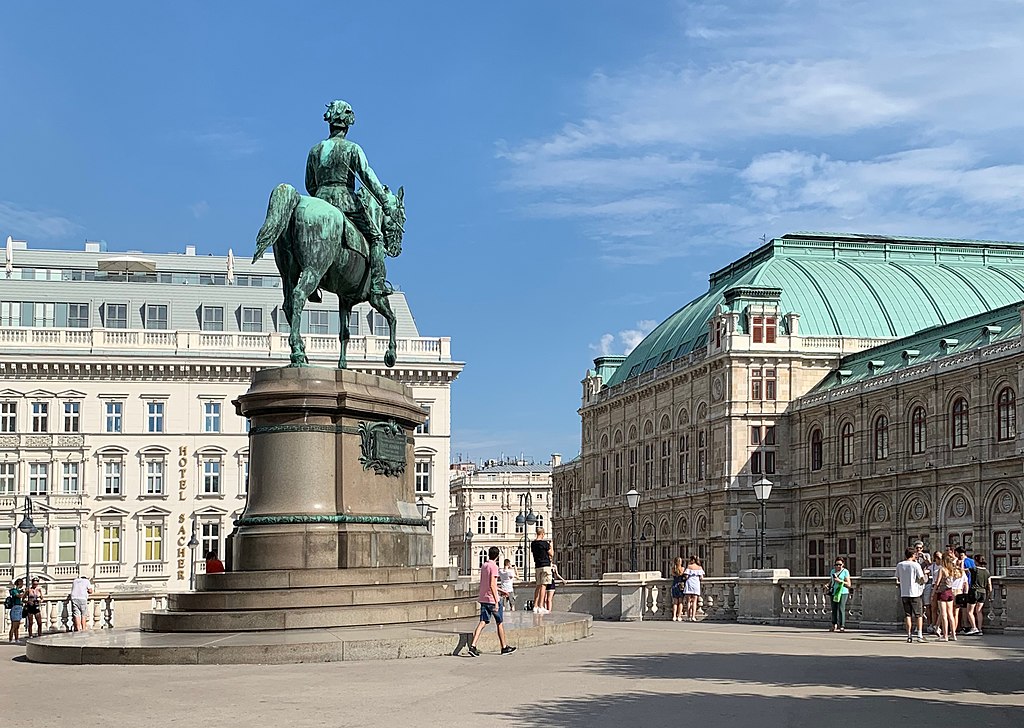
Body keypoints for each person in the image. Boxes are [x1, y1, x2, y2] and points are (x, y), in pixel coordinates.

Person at [305, 100, 396, 298]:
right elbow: (366, 174)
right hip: (346, 201)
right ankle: (378, 284)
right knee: (377, 238)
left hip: (320, 200)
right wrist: (383, 199)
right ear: (347, 124)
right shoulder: (353, 149)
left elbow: (309, 184)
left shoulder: (314, 150)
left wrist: (320, 199)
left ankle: (312, 283)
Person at [467, 546, 516, 657]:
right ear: (497, 556)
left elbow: (487, 583)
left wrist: (501, 590)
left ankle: (473, 646)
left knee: (483, 622)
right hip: (492, 599)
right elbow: (492, 585)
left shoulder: (484, 566)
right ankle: (504, 647)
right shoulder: (494, 567)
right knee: (499, 623)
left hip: (483, 598)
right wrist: (496, 600)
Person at [896, 547, 928, 643]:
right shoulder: (915, 565)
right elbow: (921, 578)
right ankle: (919, 635)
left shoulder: (900, 565)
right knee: (919, 615)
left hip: (904, 593)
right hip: (915, 592)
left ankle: (909, 635)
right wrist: (924, 578)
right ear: (913, 555)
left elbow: (897, 578)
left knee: (908, 615)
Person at [936, 553, 964, 641]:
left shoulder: (942, 569)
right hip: (950, 592)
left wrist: (933, 592)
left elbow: (937, 582)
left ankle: (945, 635)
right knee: (951, 614)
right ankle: (953, 634)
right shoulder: (951, 570)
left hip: (943, 592)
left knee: (944, 615)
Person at [530, 527, 554, 614]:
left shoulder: (533, 544)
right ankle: (541, 606)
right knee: (544, 586)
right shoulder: (545, 544)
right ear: (543, 534)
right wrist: (551, 546)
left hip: (537, 566)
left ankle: (535, 606)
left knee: (538, 586)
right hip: (545, 566)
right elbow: (551, 554)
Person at [967, 556, 991, 636]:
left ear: (976, 561)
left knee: (970, 611)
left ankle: (974, 627)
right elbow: (989, 585)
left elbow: (964, 570)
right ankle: (980, 629)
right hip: (983, 592)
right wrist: (989, 594)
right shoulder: (987, 572)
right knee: (979, 611)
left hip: (974, 591)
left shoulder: (974, 569)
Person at [828, 557, 851, 632]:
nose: (838, 566)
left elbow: (849, 584)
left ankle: (842, 625)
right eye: (836, 564)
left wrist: (840, 581)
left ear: (843, 564)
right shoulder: (832, 571)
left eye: (840, 564)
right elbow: (831, 581)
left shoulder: (845, 572)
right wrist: (827, 585)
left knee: (841, 608)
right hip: (834, 592)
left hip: (843, 592)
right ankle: (833, 624)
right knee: (834, 609)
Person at [925, 550, 943, 633]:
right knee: (933, 607)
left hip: (942, 588)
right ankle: (933, 624)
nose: (940, 560)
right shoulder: (932, 566)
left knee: (942, 609)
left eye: (941, 558)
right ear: (935, 558)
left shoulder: (943, 567)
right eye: (939, 558)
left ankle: (940, 626)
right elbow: (927, 572)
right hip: (934, 587)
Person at [683, 556, 705, 622]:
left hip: (689, 583)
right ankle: (693, 616)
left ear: (692, 560)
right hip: (696, 583)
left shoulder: (689, 567)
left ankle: (688, 616)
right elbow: (701, 577)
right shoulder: (699, 567)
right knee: (695, 601)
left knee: (688, 601)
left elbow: (686, 576)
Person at [7, 578, 24, 642]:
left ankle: (16, 639)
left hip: (19, 608)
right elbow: (19, 596)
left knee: (17, 626)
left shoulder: (17, 590)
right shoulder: (14, 591)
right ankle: (10, 639)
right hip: (16, 608)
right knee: (14, 625)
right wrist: (24, 592)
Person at [670, 557, 686, 622]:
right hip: (680, 586)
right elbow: (683, 576)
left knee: (675, 602)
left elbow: (673, 575)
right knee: (680, 602)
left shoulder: (673, 569)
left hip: (675, 585)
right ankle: (679, 616)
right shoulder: (682, 569)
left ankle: (674, 616)